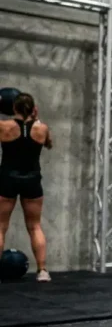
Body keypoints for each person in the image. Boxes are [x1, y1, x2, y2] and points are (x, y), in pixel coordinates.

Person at [0, 93, 52, 282]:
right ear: (33, 108)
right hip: (31, 180)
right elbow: (49, 144)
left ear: (13, 108)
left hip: (7, 179)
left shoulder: (3, 127)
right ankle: (43, 271)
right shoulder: (42, 129)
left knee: (0, 227)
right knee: (35, 226)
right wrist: (36, 119)